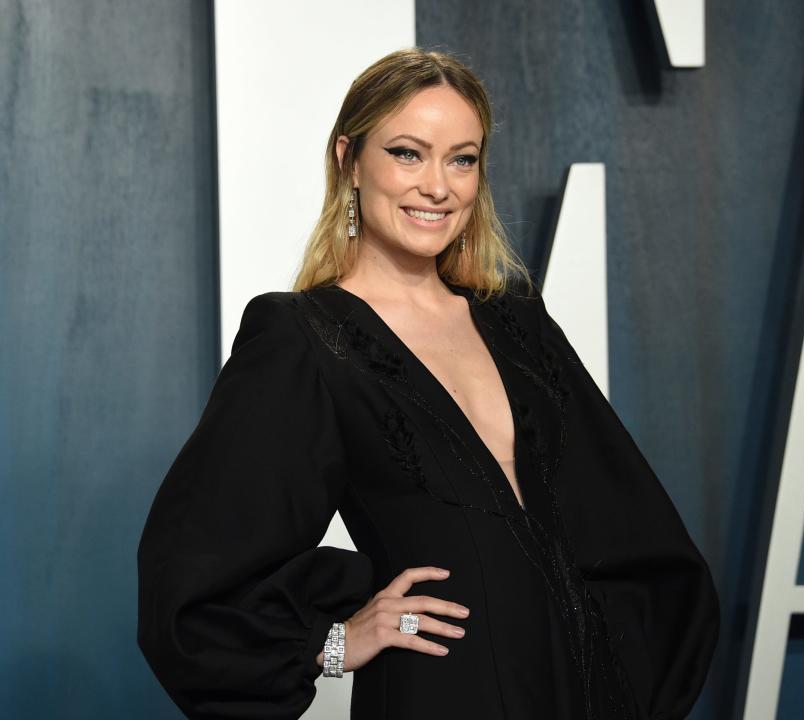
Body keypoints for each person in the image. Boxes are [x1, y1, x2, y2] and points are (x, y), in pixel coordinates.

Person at [137, 48, 719, 720]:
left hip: (580, 692)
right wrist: (333, 641)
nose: (438, 186)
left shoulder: (517, 324)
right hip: (445, 691)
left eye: (462, 158)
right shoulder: (302, 337)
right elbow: (199, 567)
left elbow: (628, 528)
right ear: (348, 160)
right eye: (409, 153)